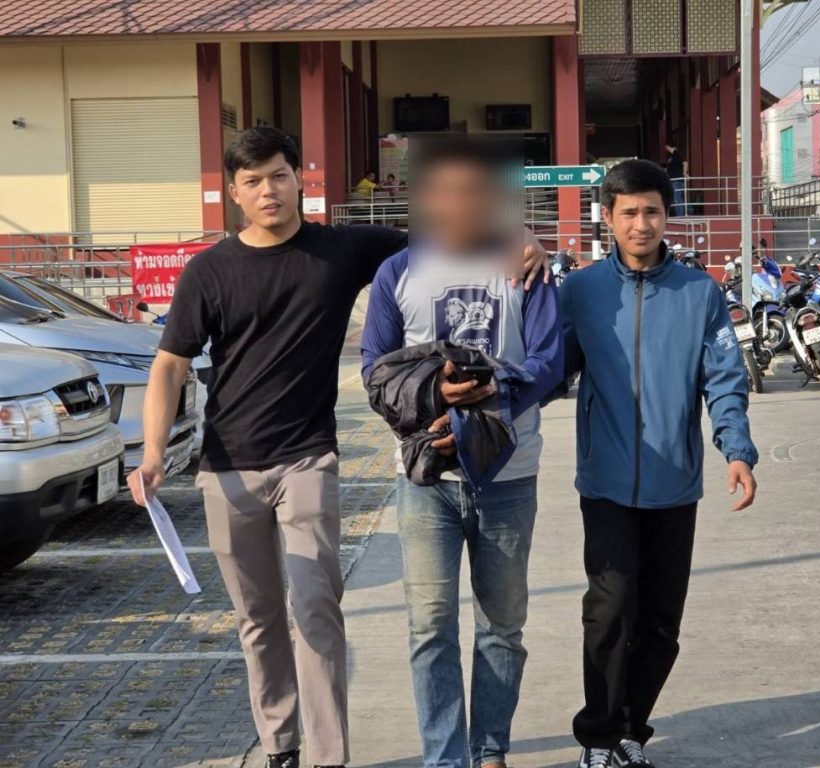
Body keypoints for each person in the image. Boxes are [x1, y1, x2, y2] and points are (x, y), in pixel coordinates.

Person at [127, 126, 549, 768]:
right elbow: (169, 365)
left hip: (307, 457)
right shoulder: (208, 271)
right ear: (233, 193)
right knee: (257, 617)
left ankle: (329, 756)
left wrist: (517, 235)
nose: (268, 190)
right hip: (227, 465)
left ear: (299, 178)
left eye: (278, 175)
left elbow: (450, 233)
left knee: (315, 605)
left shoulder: (342, 249)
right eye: (251, 181)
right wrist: (154, 452)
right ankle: (281, 746)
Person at [361, 137, 563, 768]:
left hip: (510, 477)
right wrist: (436, 399)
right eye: (446, 190)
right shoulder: (397, 272)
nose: (460, 202)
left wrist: (493, 392)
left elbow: (550, 362)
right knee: (429, 627)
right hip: (427, 482)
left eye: (475, 190)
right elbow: (374, 372)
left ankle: (490, 749)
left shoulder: (524, 266)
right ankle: (446, 759)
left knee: (503, 626)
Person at [560, 159, 758, 768]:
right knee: (609, 609)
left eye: (651, 211)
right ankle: (598, 736)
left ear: (667, 216)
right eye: (628, 213)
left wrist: (736, 449)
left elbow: (724, 378)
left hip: (675, 480)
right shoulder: (580, 292)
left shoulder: (700, 293)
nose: (640, 224)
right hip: (606, 480)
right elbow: (549, 368)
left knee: (661, 622)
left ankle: (629, 730)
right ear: (608, 217)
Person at [663, 141, 684, 216]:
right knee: (676, 198)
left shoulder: (677, 153)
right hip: (673, 179)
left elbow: (684, 163)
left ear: (669, 146)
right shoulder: (672, 156)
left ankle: (680, 215)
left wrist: (684, 173)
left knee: (677, 198)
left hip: (676, 179)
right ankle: (679, 214)